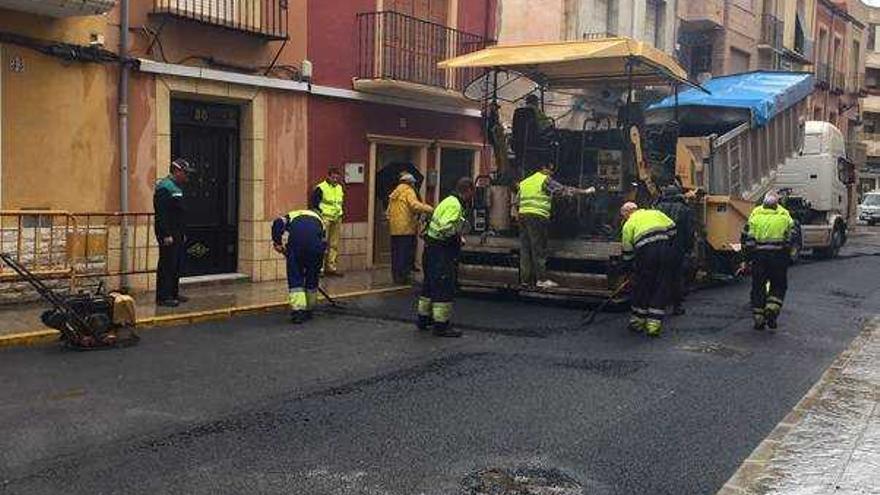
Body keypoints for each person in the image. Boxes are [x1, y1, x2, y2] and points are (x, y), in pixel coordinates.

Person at [518, 163, 596, 289]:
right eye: (550, 170)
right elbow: (563, 190)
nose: (552, 173)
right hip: (538, 217)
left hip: (523, 216)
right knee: (539, 249)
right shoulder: (544, 180)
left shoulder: (525, 182)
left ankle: (525, 280)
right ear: (543, 168)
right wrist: (585, 191)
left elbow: (517, 201)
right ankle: (541, 279)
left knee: (525, 249)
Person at [417, 177, 475, 338]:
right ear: (468, 190)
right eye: (472, 193)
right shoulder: (455, 205)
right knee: (443, 287)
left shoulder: (447, 200)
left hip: (430, 249)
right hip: (442, 252)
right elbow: (445, 227)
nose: (472, 196)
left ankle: (423, 319)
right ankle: (441, 326)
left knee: (429, 286)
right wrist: (457, 237)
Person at [620, 202, 677, 337]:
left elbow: (627, 252)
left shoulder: (628, 225)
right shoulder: (656, 213)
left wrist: (628, 269)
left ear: (627, 213)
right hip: (665, 253)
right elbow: (673, 229)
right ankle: (653, 326)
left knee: (643, 287)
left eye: (623, 216)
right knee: (660, 286)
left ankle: (637, 323)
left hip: (646, 256)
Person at [741, 192, 795, 330]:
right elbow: (790, 239)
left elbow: (747, 240)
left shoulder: (755, 217)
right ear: (777, 205)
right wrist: (787, 255)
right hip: (778, 258)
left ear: (763, 204)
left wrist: (746, 259)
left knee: (758, 287)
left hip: (759, 259)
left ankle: (759, 317)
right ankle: (772, 309)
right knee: (778, 285)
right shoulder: (784, 218)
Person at [272, 208, 327, 324]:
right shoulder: (321, 221)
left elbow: (277, 223)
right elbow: (324, 243)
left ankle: (298, 312)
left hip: (296, 248)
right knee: (312, 278)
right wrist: (318, 265)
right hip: (316, 249)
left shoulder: (291, 216)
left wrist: (277, 243)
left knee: (295, 277)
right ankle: (309, 309)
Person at [153, 158, 194, 307]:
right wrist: (165, 234)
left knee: (176, 264)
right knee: (167, 264)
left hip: (177, 232)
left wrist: (182, 232)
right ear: (176, 171)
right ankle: (163, 297)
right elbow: (161, 214)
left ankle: (173, 293)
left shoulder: (177, 186)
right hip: (168, 233)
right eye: (185, 173)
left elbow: (180, 212)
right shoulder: (164, 187)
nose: (187, 176)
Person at [655, 184, 694, 315]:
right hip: (677, 248)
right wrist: (689, 248)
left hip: (660, 247)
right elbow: (689, 231)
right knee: (677, 277)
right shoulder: (684, 209)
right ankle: (677, 306)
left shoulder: (657, 208)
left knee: (661, 276)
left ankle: (660, 304)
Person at [387, 173, 433, 284]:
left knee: (396, 254)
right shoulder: (408, 191)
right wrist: (429, 208)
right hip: (406, 228)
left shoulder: (394, 193)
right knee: (405, 253)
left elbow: (388, 212)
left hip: (395, 228)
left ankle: (396, 276)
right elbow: (414, 205)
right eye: (413, 183)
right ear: (410, 183)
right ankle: (404, 277)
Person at [311, 167, 345, 276]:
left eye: (337, 178)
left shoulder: (340, 188)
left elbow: (339, 203)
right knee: (322, 243)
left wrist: (339, 213)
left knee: (334, 244)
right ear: (328, 176)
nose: (335, 180)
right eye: (333, 177)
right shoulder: (321, 188)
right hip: (324, 218)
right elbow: (314, 203)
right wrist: (319, 214)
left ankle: (331, 267)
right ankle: (319, 269)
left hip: (337, 218)